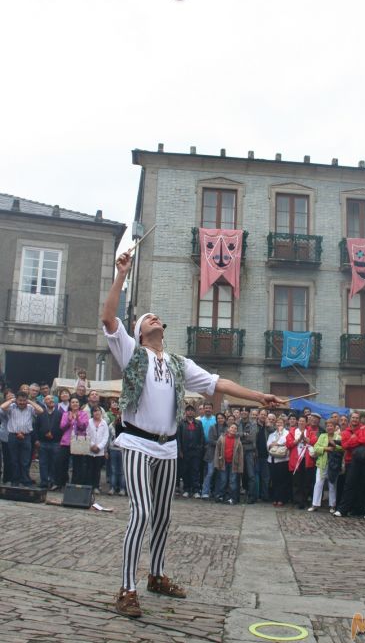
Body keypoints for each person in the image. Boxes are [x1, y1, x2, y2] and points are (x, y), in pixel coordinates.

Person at [102, 251, 283, 618]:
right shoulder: (131, 353)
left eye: (156, 317)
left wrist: (259, 396)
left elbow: (220, 383)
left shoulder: (178, 364)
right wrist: (121, 274)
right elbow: (108, 318)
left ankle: (156, 575)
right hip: (136, 442)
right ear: (137, 332)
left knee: (164, 515)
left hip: (167, 448)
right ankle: (126, 587)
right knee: (141, 512)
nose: (152, 318)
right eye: (145, 317)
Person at [0, 390, 44, 486]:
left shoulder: (29, 408)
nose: (22, 402)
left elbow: (41, 411)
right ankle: (15, 481)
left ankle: (25, 480)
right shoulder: (11, 407)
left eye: (24, 400)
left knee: (25, 460)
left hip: (26, 436)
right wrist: (12, 400)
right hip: (13, 436)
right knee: (14, 460)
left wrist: (30, 402)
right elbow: (2, 407)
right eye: (20, 400)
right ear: (17, 400)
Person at [308, 419, 341, 513]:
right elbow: (316, 447)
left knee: (332, 484)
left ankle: (332, 505)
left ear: (335, 427)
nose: (329, 427)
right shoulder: (322, 436)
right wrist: (325, 448)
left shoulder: (338, 437)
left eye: (331, 426)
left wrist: (335, 446)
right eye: (328, 426)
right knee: (318, 483)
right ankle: (315, 504)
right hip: (322, 463)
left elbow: (342, 448)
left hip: (333, 464)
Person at [286, 415, 318, 509]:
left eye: (303, 421)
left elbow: (314, 441)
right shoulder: (292, 432)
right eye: (299, 421)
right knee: (296, 481)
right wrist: (298, 440)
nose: (301, 423)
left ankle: (304, 500)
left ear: (306, 422)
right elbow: (288, 444)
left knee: (306, 481)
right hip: (296, 460)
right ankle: (297, 501)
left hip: (307, 459)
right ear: (297, 422)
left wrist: (305, 439)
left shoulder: (310, 431)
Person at [58, 397, 90, 487]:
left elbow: (83, 426)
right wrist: (69, 420)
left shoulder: (83, 414)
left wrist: (77, 419)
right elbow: (62, 427)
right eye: (73, 402)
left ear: (79, 404)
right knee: (62, 462)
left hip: (78, 441)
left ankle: (75, 484)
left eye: (76, 402)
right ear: (70, 404)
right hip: (66, 441)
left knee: (78, 464)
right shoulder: (65, 414)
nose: (75, 404)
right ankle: (63, 482)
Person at [34, 394, 63, 489]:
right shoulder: (41, 414)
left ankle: (53, 481)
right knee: (43, 463)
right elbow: (36, 427)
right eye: (48, 399)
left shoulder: (60, 414)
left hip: (56, 442)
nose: (51, 400)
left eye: (52, 399)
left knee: (54, 463)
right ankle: (44, 482)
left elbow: (62, 428)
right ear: (44, 402)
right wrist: (37, 439)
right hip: (43, 442)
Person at [177, 404, 205, 498]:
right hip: (185, 451)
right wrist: (180, 450)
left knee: (195, 471)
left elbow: (202, 437)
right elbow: (178, 438)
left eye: (192, 410)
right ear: (185, 412)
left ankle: (196, 490)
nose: (190, 412)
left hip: (196, 451)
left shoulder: (198, 423)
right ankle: (186, 489)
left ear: (194, 412)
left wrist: (200, 448)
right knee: (185, 471)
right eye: (188, 410)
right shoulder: (181, 423)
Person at [214, 423, 244, 503]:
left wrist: (240, 468)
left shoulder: (238, 441)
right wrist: (216, 463)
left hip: (234, 464)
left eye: (235, 428)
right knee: (223, 480)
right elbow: (217, 451)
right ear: (228, 429)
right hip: (223, 463)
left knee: (232, 481)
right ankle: (221, 496)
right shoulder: (222, 438)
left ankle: (232, 498)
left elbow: (240, 455)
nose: (233, 429)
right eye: (232, 427)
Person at [202, 412, 227, 499]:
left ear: (225, 419)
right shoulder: (213, 427)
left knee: (220, 474)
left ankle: (217, 493)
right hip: (212, 454)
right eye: (218, 418)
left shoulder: (227, 428)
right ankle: (205, 492)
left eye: (222, 418)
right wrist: (221, 443)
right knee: (210, 473)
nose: (220, 419)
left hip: (223, 454)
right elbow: (210, 440)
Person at [266, 416, 290, 506]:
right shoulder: (271, 434)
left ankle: (282, 499)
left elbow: (287, 444)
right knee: (274, 480)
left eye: (281, 423)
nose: (279, 424)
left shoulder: (287, 433)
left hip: (283, 460)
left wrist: (277, 443)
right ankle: (275, 498)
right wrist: (277, 443)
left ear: (284, 424)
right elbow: (268, 446)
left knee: (282, 480)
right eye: (277, 423)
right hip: (272, 460)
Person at [238, 407, 258, 504]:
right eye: (242, 411)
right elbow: (234, 435)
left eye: (246, 411)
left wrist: (241, 436)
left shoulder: (253, 423)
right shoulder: (237, 423)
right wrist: (243, 434)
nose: (244, 412)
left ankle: (251, 496)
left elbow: (251, 437)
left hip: (249, 452)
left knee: (251, 474)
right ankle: (238, 494)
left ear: (249, 413)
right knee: (239, 473)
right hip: (238, 451)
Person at [87, 406, 109, 492]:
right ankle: (89, 487)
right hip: (90, 450)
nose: (97, 413)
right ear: (92, 413)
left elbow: (105, 437)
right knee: (89, 469)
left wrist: (99, 447)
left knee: (97, 470)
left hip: (100, 451)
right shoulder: (88, 422)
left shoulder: (104, 423)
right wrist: (92, 445)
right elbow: (87, 434)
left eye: (98, 411)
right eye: (95, 411)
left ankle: (96, 486)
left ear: (101, 412)